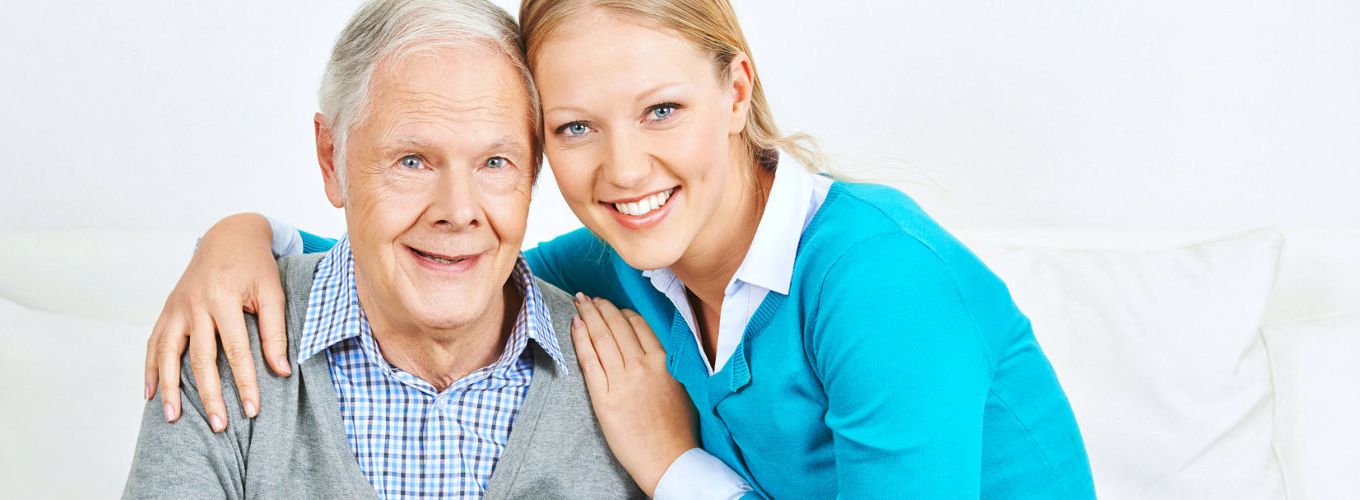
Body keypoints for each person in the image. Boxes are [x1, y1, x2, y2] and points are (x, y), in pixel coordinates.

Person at [147, 0, 1098, 497]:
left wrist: (672, 465)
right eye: (573, 128)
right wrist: (239, 241)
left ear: (735, 94)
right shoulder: (628, 267)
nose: (624, 168)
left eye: (663, 110)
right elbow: (429, 256)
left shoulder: (879, 281)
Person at [122, 0, 641, 498]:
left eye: (495, 162)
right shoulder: (229, 339)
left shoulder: (625, 369)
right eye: (412, 161)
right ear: (332, 159)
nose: (458, 211)